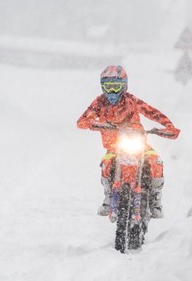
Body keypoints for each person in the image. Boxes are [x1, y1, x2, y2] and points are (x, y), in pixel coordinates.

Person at [77, 65, 180, 219]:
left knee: (155, 161)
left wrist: (168, 126)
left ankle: (156, 201)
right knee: (106, 163)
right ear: (102, 87)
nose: (112, 91)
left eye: (116, 86)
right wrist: (94, 123)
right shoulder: (99, 103)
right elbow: (82, 120)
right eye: (108, 87)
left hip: (140, 145)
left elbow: (152, 112)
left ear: (124, 86)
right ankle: (108, 196)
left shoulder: (131, 101)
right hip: (114, 148)